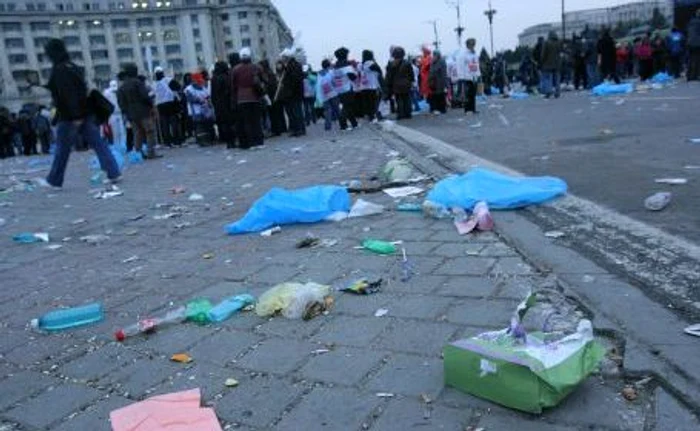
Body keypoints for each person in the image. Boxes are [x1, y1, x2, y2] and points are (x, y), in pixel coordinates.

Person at [41, 38, 120, 188]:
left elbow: (69, 94)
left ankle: (54, 179)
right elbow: (79, 90)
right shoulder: (72, 66)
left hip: (71, 116)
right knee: (98, 143)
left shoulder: (59, 69)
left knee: (62, 149)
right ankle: (113, 172)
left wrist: (76, 116)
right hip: (85, 112)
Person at [118, 63, 161, 158]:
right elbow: (145, 96)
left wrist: (126, 113)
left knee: (137, 134)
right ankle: (151, 152)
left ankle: (138, 153)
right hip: (144, 112)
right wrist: (151, 106)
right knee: (150, 132)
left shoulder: (122, 86)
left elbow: (121, 103)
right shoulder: (138, 83)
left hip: (131, 114)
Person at [231, 47, 264, 149]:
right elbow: (263, 80)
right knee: (256, 121)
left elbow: (233, 86)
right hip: (254, 97)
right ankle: (259, 142)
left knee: (247, 122)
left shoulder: (235, 70)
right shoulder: (256, 67)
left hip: (241, 98)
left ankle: (251, 143)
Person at [278, 49, 306, 137]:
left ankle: (299, 129)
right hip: (292, 93)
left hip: (293, 93)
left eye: (283, 57)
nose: (282, 59)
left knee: (296, 112)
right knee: (293, 112)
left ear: (287, 57)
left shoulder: (293, 65)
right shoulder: (289, 65)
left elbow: (294, 80)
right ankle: (296, 129)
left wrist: (287, 87)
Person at [331, 47, 358, 131]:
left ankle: (354, 123)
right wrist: (355, 70)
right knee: (347, 107)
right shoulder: (346, 66)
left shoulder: (335, 67)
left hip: (339, 89)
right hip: (347, 88)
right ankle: (343, 125)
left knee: (348, 106)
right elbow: (353, 77)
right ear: (345, 55)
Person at [185, 71, 215, 145]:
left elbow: (207, 96)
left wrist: (208, 101)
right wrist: (200, 100)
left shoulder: (202, 87)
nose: (199, 83)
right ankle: (202, 141)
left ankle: (209, 139)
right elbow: (191, 99)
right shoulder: (189, 89)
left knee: (207, 125)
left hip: (206, 110)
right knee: (199, 127)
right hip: (196, 111)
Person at [385, 46, 414, 120]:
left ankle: (401, 114)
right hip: (406, 83)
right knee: (407, 98)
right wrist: (411, 81)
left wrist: (388, 84)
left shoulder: (391, 64)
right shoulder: (407, 63)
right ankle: (408, 113)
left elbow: (389, 76)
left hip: (396, 84)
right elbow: (411, 74)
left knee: (399, 99)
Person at [153, 67, 179, 147]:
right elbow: (178, 86)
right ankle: (176, 141)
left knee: (165, 124)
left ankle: (167, 142)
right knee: (173, 121)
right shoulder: (168, 80)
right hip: (170, 103)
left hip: (160, 105)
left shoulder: (154, 84)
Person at [211, 61, 234, 147]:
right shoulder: (226, 76)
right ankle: (232, 140)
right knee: (230, 122)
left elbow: (213, 93)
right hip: (227, 102)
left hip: (218, 104)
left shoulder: (214, 78)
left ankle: (227, 140)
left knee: (223, 123)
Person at [358, 50, 383, 122]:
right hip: (372, 86)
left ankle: (370, 117)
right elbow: (379, 71)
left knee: (367, 103)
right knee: (374, 102)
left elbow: (359, 74)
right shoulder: (372, 64)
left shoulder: (360, 65)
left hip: (363, 86)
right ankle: (374, 116)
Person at [316, 59, 341, 131]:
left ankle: (327, 127)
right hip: (333, 93)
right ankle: (342, 123)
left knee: (327, 110)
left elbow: (318, 85)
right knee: (337, 109)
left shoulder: (319, 74)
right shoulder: (331, 72)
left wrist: (319, 96)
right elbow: (334, 82)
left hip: (324, 95)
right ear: (329, 65)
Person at [103, 80, 126, 150]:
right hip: (112, 114)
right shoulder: (106, 93)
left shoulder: (119, 91)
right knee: (115, 131)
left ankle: (123, 145)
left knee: (122, 131)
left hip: (119, 113)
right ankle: (117, 146)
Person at [540, 31, 562, 98]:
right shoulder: (558, 43)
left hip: (547, 64)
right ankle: (557, 92)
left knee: (548, 78)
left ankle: (548, 91)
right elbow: (560, 52)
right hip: (557, 63)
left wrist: (541, 61)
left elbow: (543, 54)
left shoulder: (546, 43)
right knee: (557, 78)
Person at [427, 50, 447, 114]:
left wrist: (445, 83)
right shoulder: (433, 61)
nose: (434, 56)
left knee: (440, 95)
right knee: (434, 95)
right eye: (434, 54)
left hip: (440, 81)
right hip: (433, 81)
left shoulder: (442, 61)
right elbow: (431, 71)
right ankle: (435, 108)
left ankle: (441, 109)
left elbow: (443, 73)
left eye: (435, 54)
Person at [688, 10, 700, 81]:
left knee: (691, 59)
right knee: (697, 59)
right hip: (698, 43)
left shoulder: (691, 22)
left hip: (690, 43)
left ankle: (689, 76)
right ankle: (696, 75)